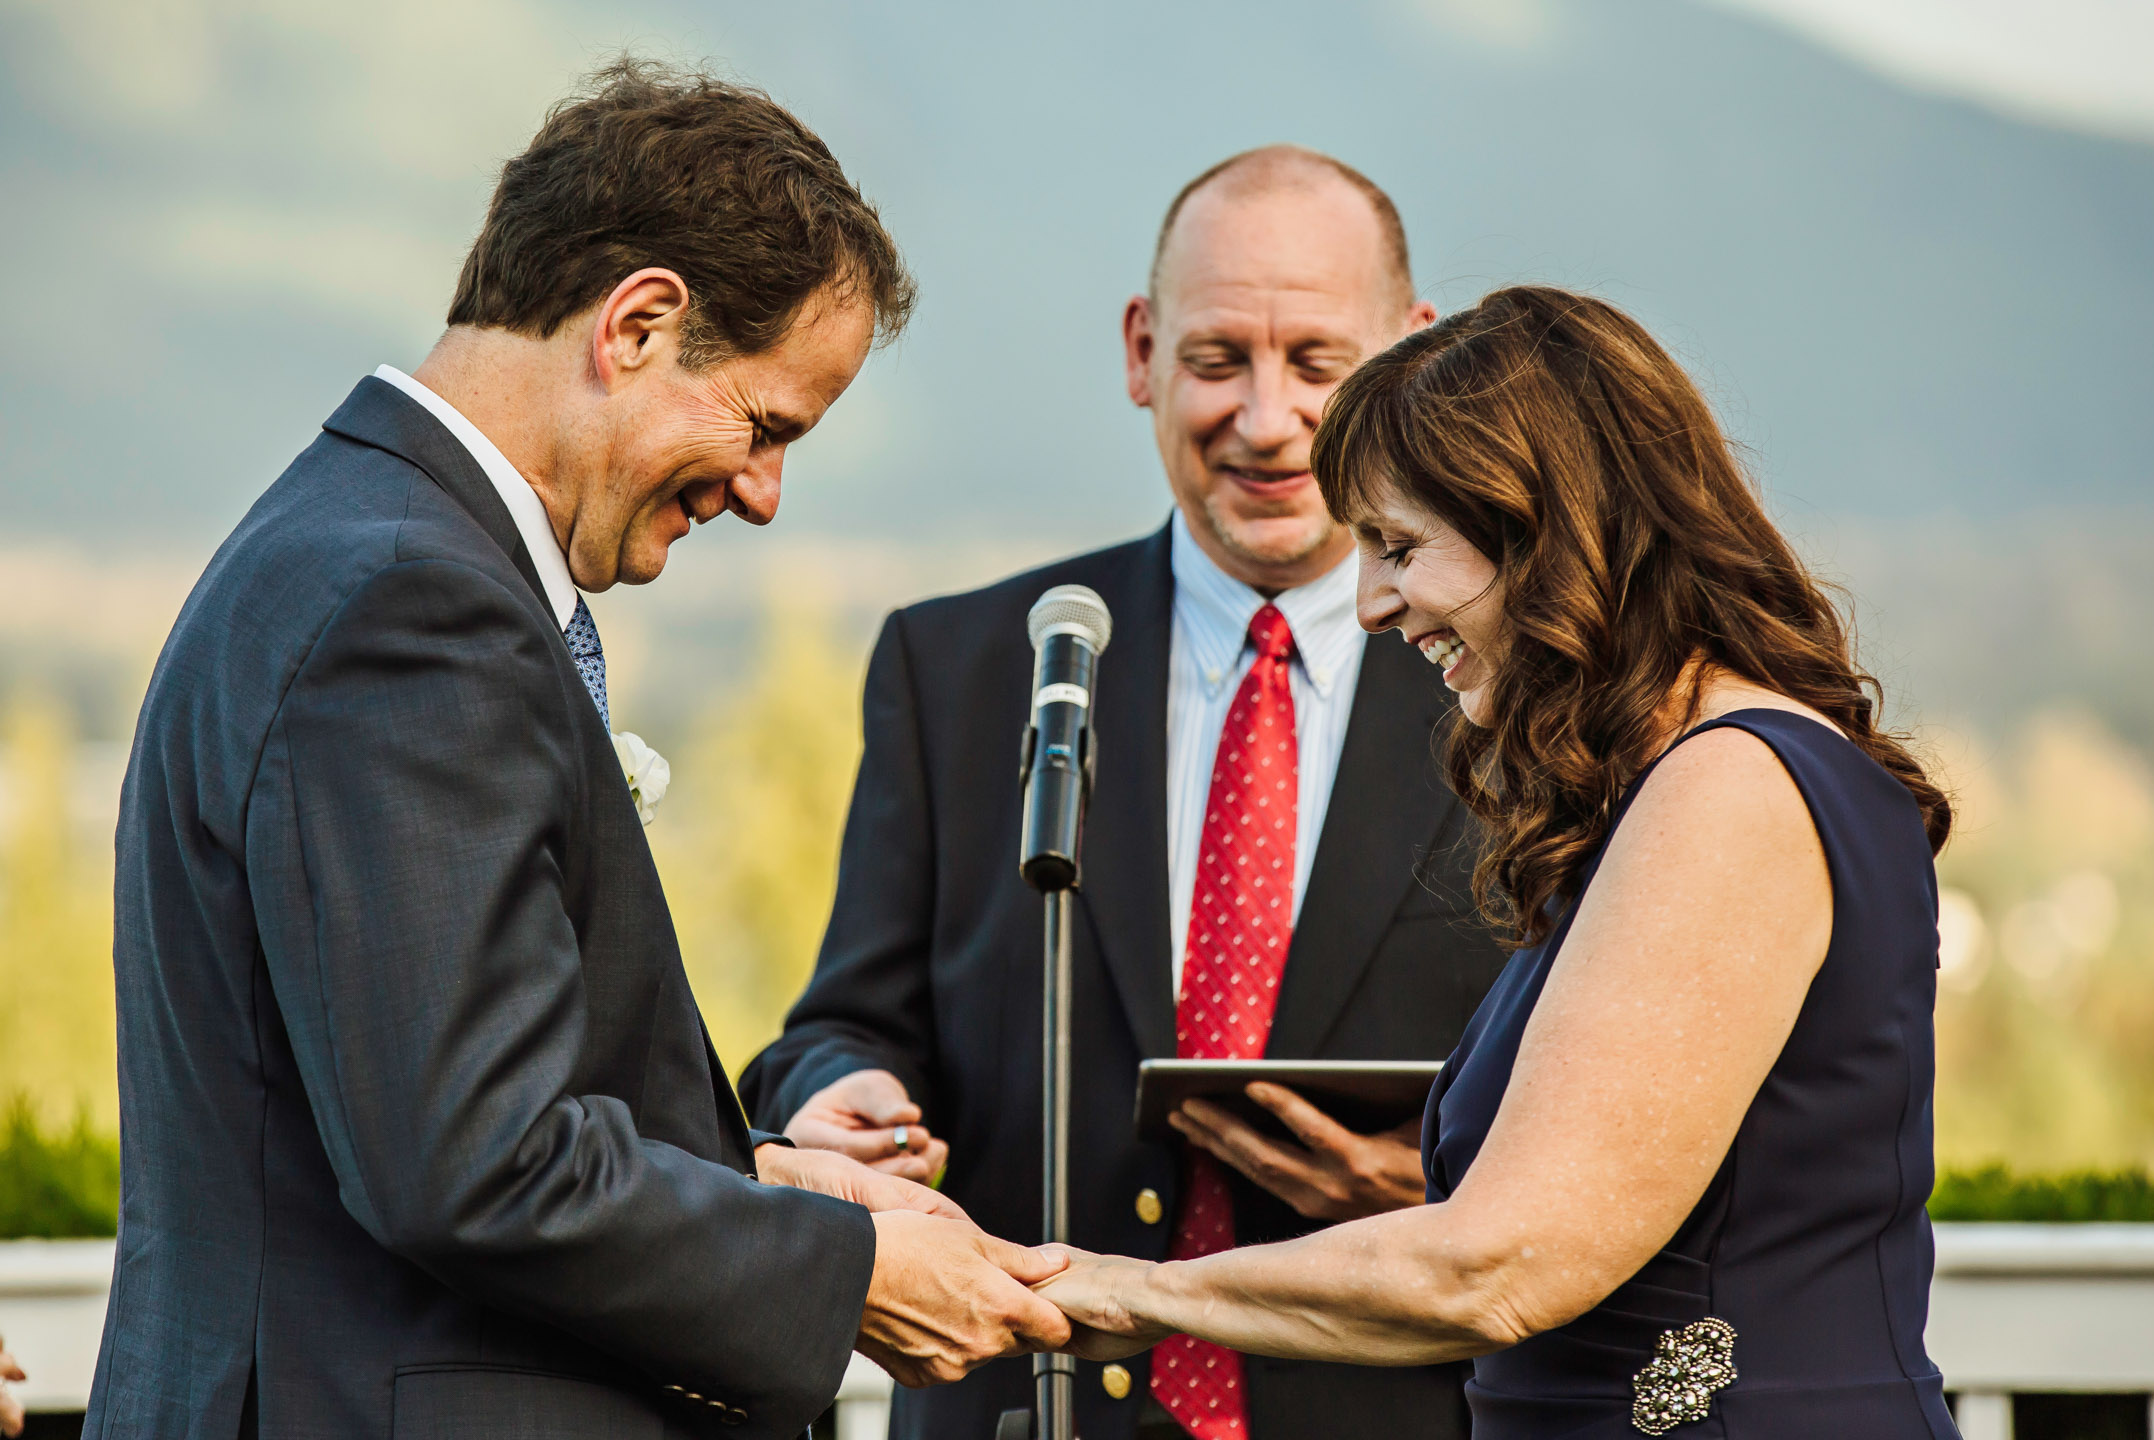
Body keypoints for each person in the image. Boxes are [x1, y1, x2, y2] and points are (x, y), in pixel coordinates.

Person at [90, 60, 1071, 1440]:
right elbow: (473, 1162)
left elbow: (405, 1101)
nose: (765, 494)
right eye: (765, 423)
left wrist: (768, 1183)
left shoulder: (350, 541)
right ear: (641, 323)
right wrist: (846, 1274)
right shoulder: (407, 600)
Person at [1034, 284, 1962, 1438]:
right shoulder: (1675, 787)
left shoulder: (1729, 789)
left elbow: (1497, 1265)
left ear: (1549, 529)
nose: (1370, 602)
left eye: (1398, 546)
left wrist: (1135, 1290)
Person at [740, 147, 1509, 1440]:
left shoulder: (1516, 691)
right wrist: (832, 1100)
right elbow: (842, 1024)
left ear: (1413, 355)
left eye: (1318, 363)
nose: (1267, 421)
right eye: (1218, 361)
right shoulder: (964, 667)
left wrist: (1450, 1176)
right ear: (1142, 350)